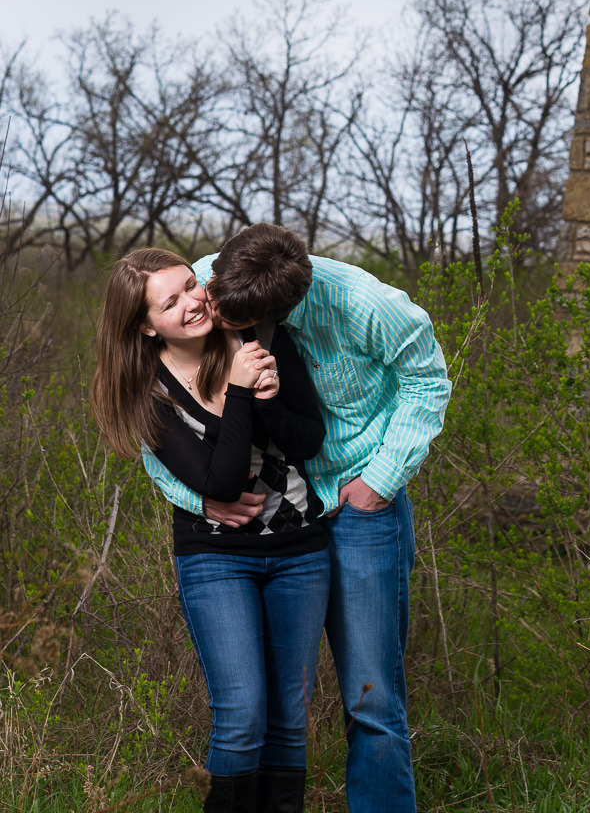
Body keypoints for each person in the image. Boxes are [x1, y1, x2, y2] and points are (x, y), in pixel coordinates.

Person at [141, 225, 452, 813]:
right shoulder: (205, 280)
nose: (212, 317)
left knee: (370, 696)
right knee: (273, 707)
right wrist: (197, 500)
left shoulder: (369, 306)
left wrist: (378, 483)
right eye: (211, 304)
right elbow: (152, 423)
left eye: (238, 322)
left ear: (284, 313)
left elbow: (426, 381)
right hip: (275, 525)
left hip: (357, 498)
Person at [91, 248, 331, 813]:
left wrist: (266, 396)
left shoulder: (263, 339)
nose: (191, 303)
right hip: (216, 559)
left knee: (288, 719)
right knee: (243, 714)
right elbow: (220, 483)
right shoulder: (149, 392)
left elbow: (308, 442)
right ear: (147, 327)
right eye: (168, 303)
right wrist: (242, 391)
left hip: (301, 551)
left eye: (189, 286)